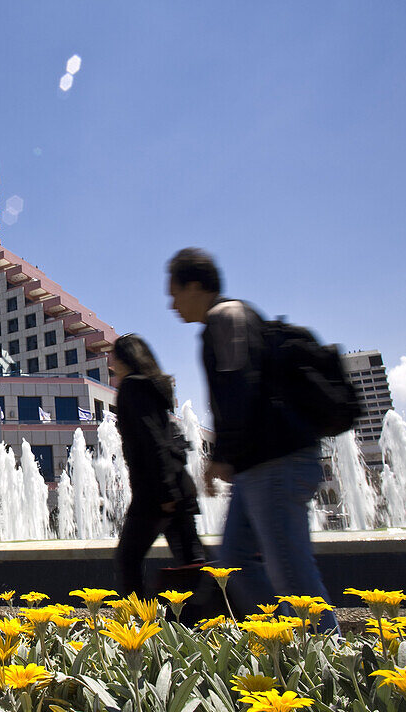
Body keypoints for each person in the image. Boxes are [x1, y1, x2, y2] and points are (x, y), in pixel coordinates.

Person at [167, 247, 339, 632]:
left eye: (174, 292)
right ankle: (284, 639)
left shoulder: (224, 318)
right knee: (237, 561)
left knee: (292, 576)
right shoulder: (232, 318)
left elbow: (240, 387)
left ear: (195, 285)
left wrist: (224, 454)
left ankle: (329, 661)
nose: (171, 304)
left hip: (275, 462)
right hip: (262, 465)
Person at [111, 334, 207, 598]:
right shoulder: (151, 388)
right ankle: (212, 622)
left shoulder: (131, 388)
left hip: (156, 493)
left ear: (125, 358)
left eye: (114, 355)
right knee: (193, 561)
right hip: (177, 485)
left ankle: (142, 625)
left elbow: (152, 441)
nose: (111, 361)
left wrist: (166, 494)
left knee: (127, 559)